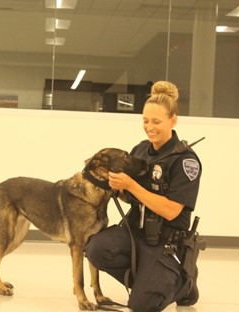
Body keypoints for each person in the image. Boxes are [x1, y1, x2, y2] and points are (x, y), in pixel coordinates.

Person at [85, 81, 202, 312]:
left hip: (165, 242)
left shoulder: (186, 160)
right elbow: (132, 198)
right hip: (134, 231)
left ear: (173, 120)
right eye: (145, 121)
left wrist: (131, 185)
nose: (150, 127)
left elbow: (171, 210)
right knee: (95, 249)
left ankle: (184, 283)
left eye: (156, 122)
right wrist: (119, 189)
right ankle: (148, 281)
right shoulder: (139, 150)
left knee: (142, 306)